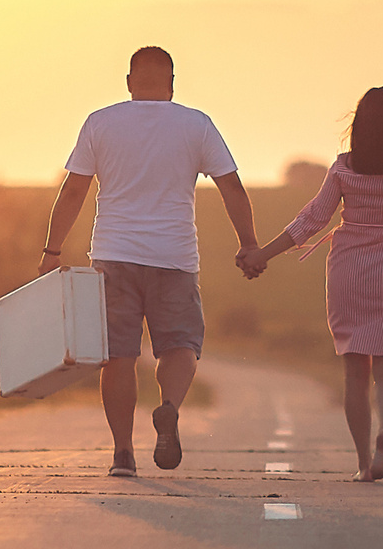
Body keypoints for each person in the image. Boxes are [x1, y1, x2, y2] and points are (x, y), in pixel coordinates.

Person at [41, 46, 261, 477]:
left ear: (128, 82)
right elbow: (231, 186)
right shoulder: (195, 124)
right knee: (180, 346)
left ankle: (123, 453)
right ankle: (169, 407)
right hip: (174, 257)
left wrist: (52, 250)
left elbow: (73, 191)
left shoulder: (101, 122)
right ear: (172, 84)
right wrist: (249, 243)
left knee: (118, 356)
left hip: (114, 255)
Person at [238, 86, 383, 481]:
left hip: (350, 275)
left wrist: (262, 254)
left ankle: (364, 463)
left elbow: (311, 220)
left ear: (358, 125)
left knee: (354, 375)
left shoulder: (344, 168)